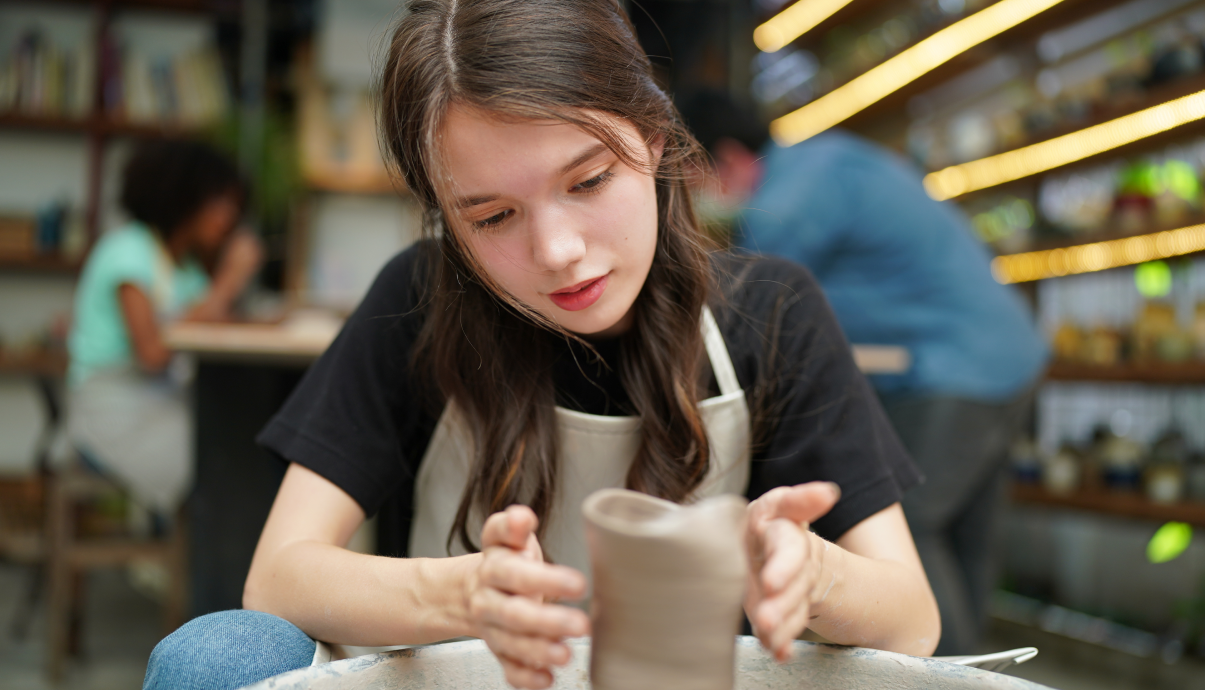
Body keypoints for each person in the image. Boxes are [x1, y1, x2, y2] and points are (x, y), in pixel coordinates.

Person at [142, 3, 939, 689]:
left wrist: (814, 574)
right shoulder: (419, 301)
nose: (557, 251)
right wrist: (461, 598)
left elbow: (912, 623)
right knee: (218, 656)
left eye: (588, 181)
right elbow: (275, 575)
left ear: (655, 137)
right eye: (491, 218)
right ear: (445, 220)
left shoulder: (771, 312)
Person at [677, 90, 1049, 655]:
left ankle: (946, 676)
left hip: (951, 368)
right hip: (1010, 355)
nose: (691, 200)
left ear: (726, 161)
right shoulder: (827, 161)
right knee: (966, 539)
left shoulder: (787, 200)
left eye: (688, 183)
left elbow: (743, 308)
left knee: (909, 537)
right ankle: (976, 671)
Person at [67, 139, 262, 520]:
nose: (228, 217)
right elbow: (153, 353)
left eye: (233, 206)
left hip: (158, 404)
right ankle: (202, 573)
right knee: (220, 459)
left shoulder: (182, 266)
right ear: (181, 196)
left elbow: (208, 322)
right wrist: (229, 281)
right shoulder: (128, 251)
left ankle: (211, 571)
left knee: (237, 439)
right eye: (217, 202)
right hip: (114, 410)